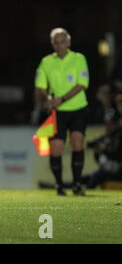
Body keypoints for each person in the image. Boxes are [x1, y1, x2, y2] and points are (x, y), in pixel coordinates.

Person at [34, 27, 90, 196]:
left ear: (69, 42)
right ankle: (59, 185)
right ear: (53, 44)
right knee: (56, 148)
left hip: (77, 108)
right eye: (56, 42)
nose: (60, 46)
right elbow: (40, 86)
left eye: (63, 42)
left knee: (77, 143)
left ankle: (77, 184)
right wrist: (47, 99)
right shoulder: (46, 62)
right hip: (57, 112)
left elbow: (82, 84)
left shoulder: (79, 59)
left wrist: (61, 99)